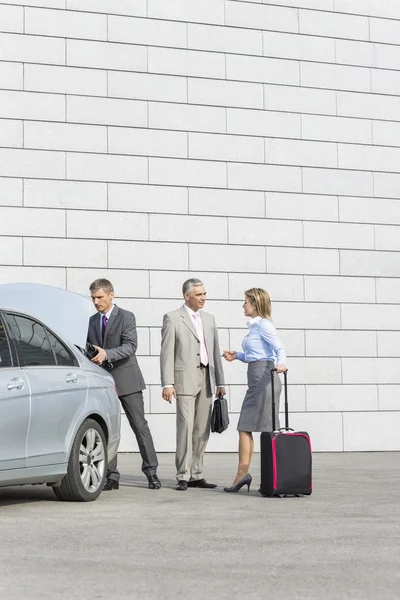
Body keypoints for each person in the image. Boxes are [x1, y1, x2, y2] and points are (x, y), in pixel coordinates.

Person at [87, 278, 161, 491]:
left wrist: (106, 354)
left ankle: (151, 472)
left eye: (100, 297)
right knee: (107, 428)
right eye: (93, 298)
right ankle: (111, 476)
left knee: (139, 426)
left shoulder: (126, 317)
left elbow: (130, 346)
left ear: (111, 295)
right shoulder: (91, 320)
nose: (96, 302)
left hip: (127, 379)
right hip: (102, 382)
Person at [160, 278, 225, 491]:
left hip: (207, 378)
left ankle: (196, 474)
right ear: (187, 296)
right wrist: (167, 383)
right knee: (185, 427)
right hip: (184, 380)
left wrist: (221, 382)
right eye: (199, 295)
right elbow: (167, 353)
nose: (203, 298)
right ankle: (183, 475)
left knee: (201, 429)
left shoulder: (210, 319)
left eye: (204, 294)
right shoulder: (172, 318)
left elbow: (214, 351)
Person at [222, 288, 287, 493]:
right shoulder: (254, 326)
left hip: (264, 380)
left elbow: (279, 349)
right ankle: (259, 477)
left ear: (255, 304)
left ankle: (249, 476)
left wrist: (282, 363)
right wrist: (238, 355)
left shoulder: (264, 325)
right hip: (257, 379)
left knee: (253, 427)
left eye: (246, 302)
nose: (243, 305)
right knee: (249, 426)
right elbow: (257, 354)